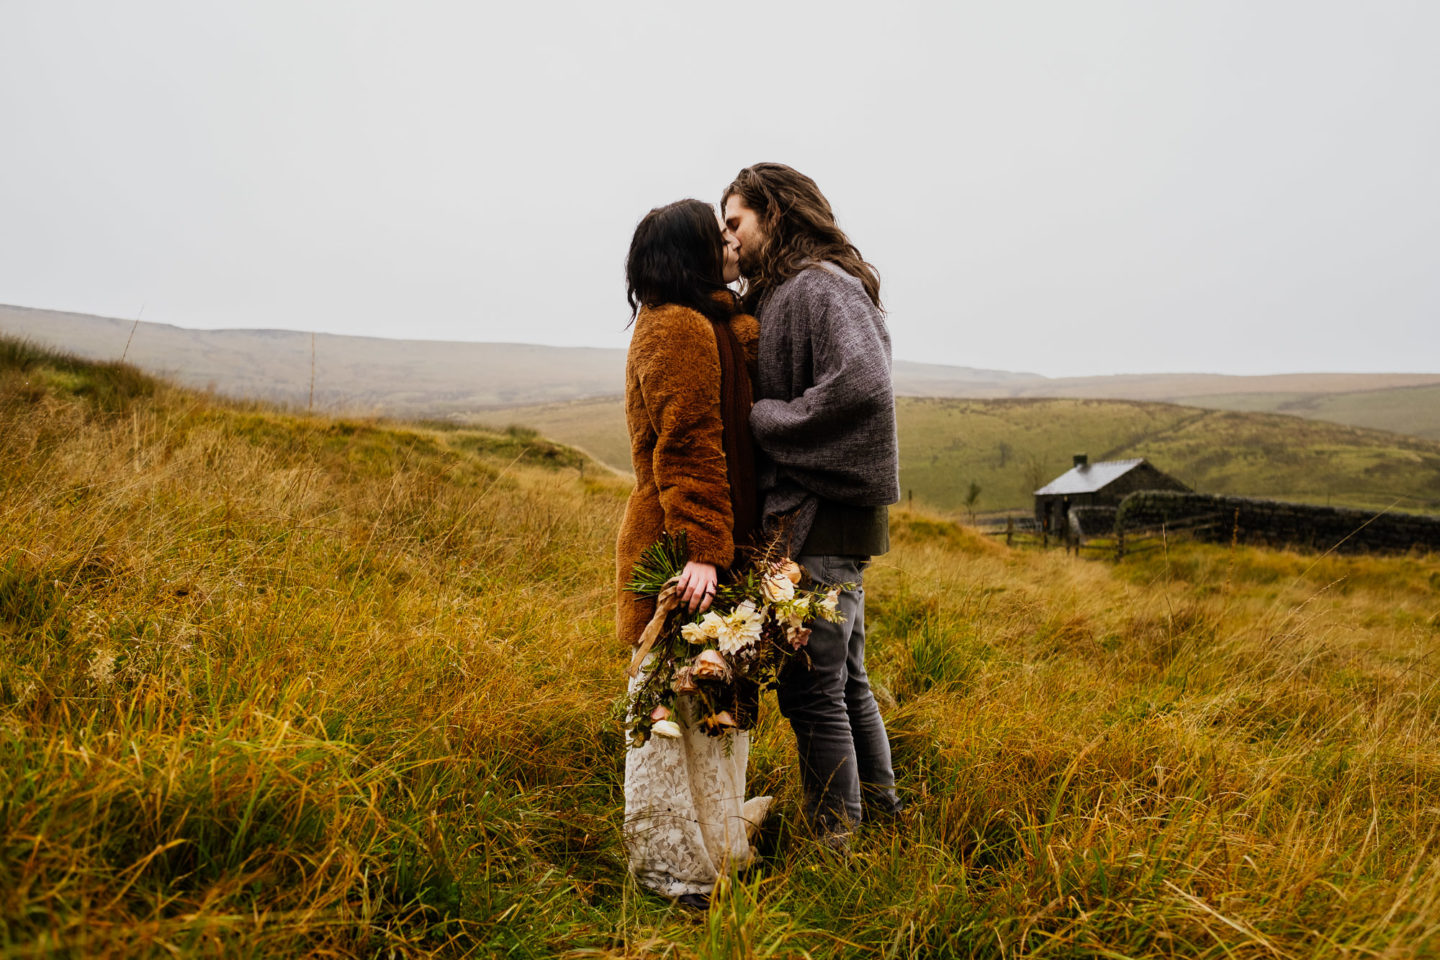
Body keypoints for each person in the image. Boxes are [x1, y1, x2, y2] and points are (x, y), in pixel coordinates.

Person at [721, 163, 903, 848]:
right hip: (827, 512)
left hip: (819, 513)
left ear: (774, 211)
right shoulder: (796, 289)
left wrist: (768, 420)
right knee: (845, 681)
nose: (730, 240)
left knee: (811, 691)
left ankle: (837, 847)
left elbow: (861, 383)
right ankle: (882, 822)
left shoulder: (817, 286)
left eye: (737, 222)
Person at [617, 198, 771, 908]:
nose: (729, 242)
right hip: (681, 545)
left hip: (710, 537)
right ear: (689, 253)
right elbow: (686, 443)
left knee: (712, 700)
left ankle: (714, 847)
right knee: (668, 705)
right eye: (717, 238)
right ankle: (673, 868)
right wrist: (705, 551)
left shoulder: (700, 321)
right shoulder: (675, 327)